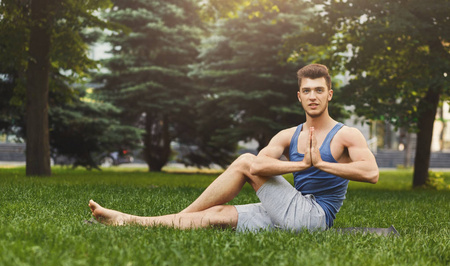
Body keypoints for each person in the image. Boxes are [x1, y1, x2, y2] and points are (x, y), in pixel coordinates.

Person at [89, 64, 379, 232]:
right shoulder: (288, 135)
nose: (313, 96)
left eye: (318, 90)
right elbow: (259, 166)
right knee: (217, 215)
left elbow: (371, 173)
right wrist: (300, 165)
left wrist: (321, 163)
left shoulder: (347, 134)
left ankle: (179, 214)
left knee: (242, 161)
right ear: (298, 96)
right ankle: (129, 221)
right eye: (306, 90)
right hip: (287, 209)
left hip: (314, 218)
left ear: (329, 94)